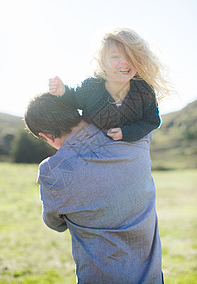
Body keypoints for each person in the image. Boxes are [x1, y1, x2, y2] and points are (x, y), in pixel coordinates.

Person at [24, 92, 164, 284]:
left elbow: (55, 223)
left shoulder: (52, 172)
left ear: (46, 136)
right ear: (75, 110)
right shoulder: (135, 136)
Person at [48, 27, 170, 142]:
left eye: (130, 56)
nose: (124, 62)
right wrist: (63, 91)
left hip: (128, 150)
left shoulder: (144, 90)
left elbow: (151, 121)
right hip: (92, 146)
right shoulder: (93, 84)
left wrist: (126, 133)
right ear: (103, 61)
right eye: (115, 57)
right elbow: (74, 98)